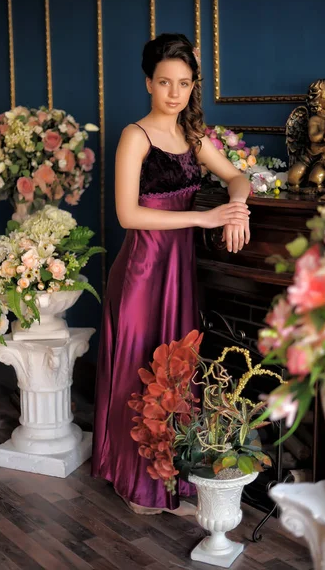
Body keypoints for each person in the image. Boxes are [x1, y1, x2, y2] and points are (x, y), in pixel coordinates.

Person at [91, 33, 251, 516]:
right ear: (148, 83)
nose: (175, 93)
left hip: (178, 272)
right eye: (165, 82)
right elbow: (127, 215)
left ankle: (171, 482)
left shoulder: (193, 138)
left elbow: (237, 177)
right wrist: (205, 218)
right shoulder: (134, 136)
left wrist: (237, 207)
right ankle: (135, 482)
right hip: (142, 271)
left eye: (183, 83)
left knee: (176, 374)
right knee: (137, 373)